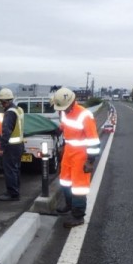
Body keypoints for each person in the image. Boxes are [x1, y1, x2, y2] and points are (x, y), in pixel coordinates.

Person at [52, 87, 100, 228]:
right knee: (65, 181)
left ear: (73, 102)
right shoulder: (64, 112)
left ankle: (78, 216)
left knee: (79, 187)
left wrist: (90, 160)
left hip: (81, 154)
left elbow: (93, 140)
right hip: (69, 151)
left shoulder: (85, 115)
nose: (63, 110)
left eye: (65, 108)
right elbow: (65, 126)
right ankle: (69, 205)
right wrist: (58, 130)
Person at [0, 88, 24, 201]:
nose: (1, 104)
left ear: (6, 101)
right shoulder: (19, 110)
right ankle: (15, 190)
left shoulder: (9, 113)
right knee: (16, 169)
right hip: (19, 145)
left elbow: (6, 131)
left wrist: (1, 147)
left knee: (10, 170)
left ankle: (12, 193)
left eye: (2, 102)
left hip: (11, 147)